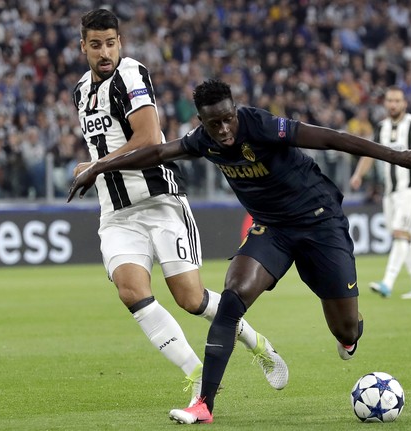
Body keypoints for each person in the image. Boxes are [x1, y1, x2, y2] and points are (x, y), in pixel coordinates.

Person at [68, 79, 411, 424]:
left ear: (236, 111)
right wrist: (99, 167)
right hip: (273, 230)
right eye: (215, 124)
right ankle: (204, 405)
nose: (225, 130)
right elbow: (157, 152)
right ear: (203, 121)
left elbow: (329, 138)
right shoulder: (203, 140)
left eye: (229, 119)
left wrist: (396, 157)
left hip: (320, 223)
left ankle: (350, 334)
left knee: (344, 327)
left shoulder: (262, 126)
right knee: (232, 299)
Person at [72, 9, 288, 407]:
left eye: (111, 42)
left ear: (120, 42)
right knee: (131, 291)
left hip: (159, 203)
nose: (105, 52)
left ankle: (256, 342)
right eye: (96, 44)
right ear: (82, 46)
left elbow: (150, 137)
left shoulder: (131, 76)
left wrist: (97, 166)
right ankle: (196, 373)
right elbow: (104, 146)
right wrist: (91, 165)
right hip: (117, 213)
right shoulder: (81, 91)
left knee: (191, 300)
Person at [350, 86, 411, 299]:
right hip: (389, 192)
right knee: (404, 237)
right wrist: (358, 175)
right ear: (385, 103)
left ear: (404, 103)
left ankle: (387, 283)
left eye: (397, 101)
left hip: (410, 188)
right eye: (390, 100)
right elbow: (369, 155)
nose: (393, 104)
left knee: (401, 233)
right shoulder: (381, 128)